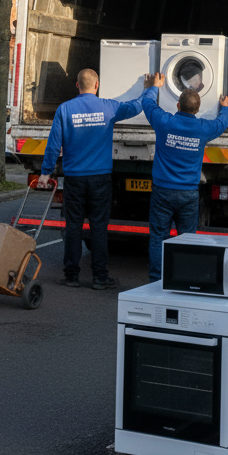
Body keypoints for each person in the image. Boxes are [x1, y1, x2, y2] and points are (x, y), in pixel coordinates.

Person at [37, 69, 155, 290]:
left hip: (74, 179)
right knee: (99, 228)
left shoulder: (65, 109)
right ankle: (100, 277)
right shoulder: (109, 107)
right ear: (97, 85)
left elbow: (53, 144)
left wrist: (45, 172)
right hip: (100, 179)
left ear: (77, 85)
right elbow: (137, 106)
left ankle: (71, 276)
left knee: (73, 227)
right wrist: (151, 89)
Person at [140, 73, 228, 282]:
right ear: (198, 110)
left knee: (158, 238)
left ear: (178, 106)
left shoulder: (164, 122)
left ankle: (156, 280)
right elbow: (222, 123)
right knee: (187, 240)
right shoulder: (203, 129)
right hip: (188, 194)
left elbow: (147, 104)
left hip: (162, 191)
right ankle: (184, 279)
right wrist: (225, 106)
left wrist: (155, 86)